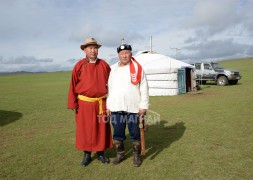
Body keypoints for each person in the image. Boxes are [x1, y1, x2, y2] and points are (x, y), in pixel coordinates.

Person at [67, 37, 113, 166]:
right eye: (90, 48)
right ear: (85, 50)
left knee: (101, 128)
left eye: (95, 48)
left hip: (101, 103)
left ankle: (100, 153)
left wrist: (111, 103)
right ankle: (87, 154)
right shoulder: (79, 65)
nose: (93, 50)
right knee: (85, 129)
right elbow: (73, 84)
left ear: (97, 50)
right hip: (84, 104)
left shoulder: (104, 65)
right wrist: (73, 103)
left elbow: (112, 84)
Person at [106, 44, 149, 167]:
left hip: (133, 107)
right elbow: (110, 88)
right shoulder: (113, 69)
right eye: (122, 53)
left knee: (135, 133)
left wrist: (143, 106)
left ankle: (136, 156)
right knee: (118, 133)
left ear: (131, 54)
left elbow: (144, 88)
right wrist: (108, 106)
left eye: (127, 52)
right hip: (116, 107)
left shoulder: (138, 69)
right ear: (118, 55)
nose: (124, 55)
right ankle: (120, 154)